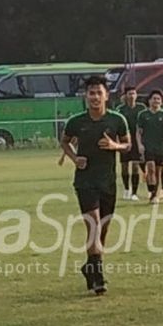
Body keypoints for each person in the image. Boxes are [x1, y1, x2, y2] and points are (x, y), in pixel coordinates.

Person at [60, 76, 131, 295]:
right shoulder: (76, 121)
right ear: (86, 96)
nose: (95, 97)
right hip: (85, 182)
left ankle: (89, 266)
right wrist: (74, 158)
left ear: (107, 95)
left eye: (99, 93)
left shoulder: (117, 120)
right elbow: (64, 141)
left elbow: (128, 145)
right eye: (91, 93)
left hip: (108, 183)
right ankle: (98, 277)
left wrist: (114, 145)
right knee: (94, 226)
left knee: (103, 230)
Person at [137, 90, 163, 204]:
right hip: (148, 146)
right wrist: (139, 144)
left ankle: (154, 194)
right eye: (154, 98)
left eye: (158, 99)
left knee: (158, 171)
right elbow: (139, 132)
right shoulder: (143, 115)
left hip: (160, 147)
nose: (156, 101)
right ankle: (152, 192)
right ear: (149, 100)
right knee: (151, 168)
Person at [116, 87, 146, 201]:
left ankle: (134, 192)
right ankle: (126, 189)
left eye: (134, 93)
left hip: (137, 140)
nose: (132, 95)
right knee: (124, 166)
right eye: (130, 93)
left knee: (135, 166)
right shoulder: (120, 109)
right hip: (124, 140)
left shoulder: (141, 108)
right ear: (126, 96)